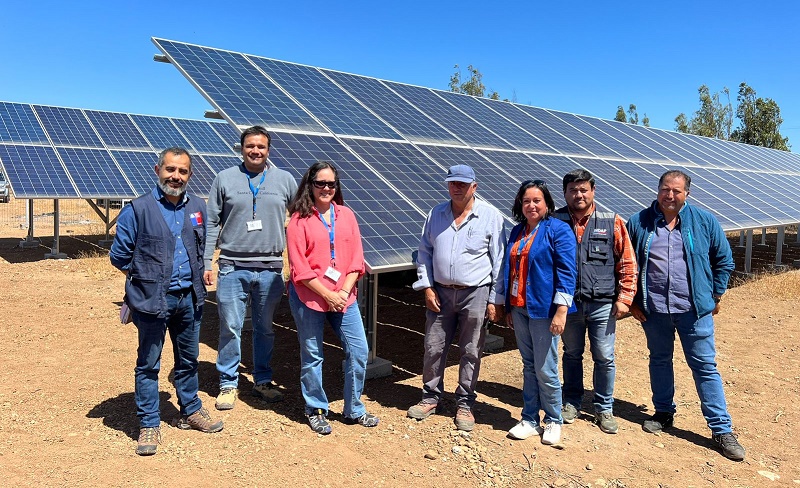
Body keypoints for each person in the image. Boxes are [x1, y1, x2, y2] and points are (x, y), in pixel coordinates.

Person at [110, 147, 223, 456]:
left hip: (190, 298)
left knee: (188, 359)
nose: (176, 176)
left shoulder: (198, 206)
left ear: (190, 175)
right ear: (157, 169)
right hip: (151, 301)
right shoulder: (138, 209)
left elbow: (200, 250)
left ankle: (190, 409)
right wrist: (146, 277)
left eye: (183, 171)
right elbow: (119, 256)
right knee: (148, 364)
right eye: (170, 169)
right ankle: (149, 422)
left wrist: (203, 272)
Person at [626, 170, 745, 461]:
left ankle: (721, 429)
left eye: (676, 191)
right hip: (654, 311)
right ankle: (664, 412)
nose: (670, 196)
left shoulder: (704, 222)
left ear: (687, 194)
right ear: (657, 190)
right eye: (665, 189)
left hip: (694, 311)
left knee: (705, 366)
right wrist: (631, 302)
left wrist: (715, 295)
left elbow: (724, 260)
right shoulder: (639, 222)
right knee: (659, 360)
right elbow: (626, 263)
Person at [203, 126, 298, 410]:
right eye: (250, 146)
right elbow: (211, 222)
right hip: (232, 266)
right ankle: (229, 383)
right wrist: (207, 260)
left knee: (265, 328)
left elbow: (300, 219)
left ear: (268, 150)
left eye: (261, 146)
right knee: (230, 327)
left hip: (270, 268)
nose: (255, 151)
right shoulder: (224, 178)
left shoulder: (284, 179)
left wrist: (296, 265)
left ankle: (262, 380)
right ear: (241, 148)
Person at [407, 164, 506, 432]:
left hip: (476, 292)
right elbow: (424, 252)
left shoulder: (490, 217)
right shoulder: (435, 214)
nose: (457, 188)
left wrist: (495, 299)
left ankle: (465, 402)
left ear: (474, 186)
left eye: (463, 183)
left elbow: (499, 260)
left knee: (471, 349)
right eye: (453, 183)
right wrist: (426, 287)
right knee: (434, 346)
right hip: (439, 292)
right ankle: (430, 396)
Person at [286, 161, 379, 434]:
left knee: (359, 350)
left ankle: (354, 408)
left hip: (344, 297)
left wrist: (342, 292)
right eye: (320, 183)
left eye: (331, 184)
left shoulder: (347, 215)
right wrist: (328, 294)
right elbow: (299, 269)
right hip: (309, 297)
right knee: (313, 355)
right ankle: (315, 408)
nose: (326, 188)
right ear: (310, 186)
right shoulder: (298, 220)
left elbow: (356, 260)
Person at [553, 169, 637, 434]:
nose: (578, 194)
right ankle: (571, 402)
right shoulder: (554, 221)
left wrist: (624, 299)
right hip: (569, 304)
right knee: (571, 354)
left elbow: (628, 263)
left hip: (602, 304)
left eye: (583, 189)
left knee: (604, 356)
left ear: (593, 191)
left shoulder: (611, 221)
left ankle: (604, 407)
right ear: (565, 193)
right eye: (573, 190)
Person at [501, 180, 576, 445]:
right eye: (526, 201)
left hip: (545, 309)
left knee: (546, 368)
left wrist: (561, 310)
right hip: (520, 307)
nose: (531, 205)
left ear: (547, 204)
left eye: (537, 200)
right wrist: (508, 306)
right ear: (520, 205)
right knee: (529, 365)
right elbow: (509, 270)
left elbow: (568, 272)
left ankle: (554, 420)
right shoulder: (517, 231)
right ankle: (530, 419)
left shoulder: (558, 230)